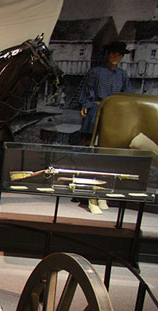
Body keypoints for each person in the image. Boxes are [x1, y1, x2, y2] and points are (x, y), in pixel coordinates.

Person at [74, 40, 133, 214]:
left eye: (119, 54)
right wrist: (85, 104)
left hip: (114, 114)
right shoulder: (96, 72)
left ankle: (102, 193)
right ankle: (86, 193)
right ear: (108, 54)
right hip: (96, 111)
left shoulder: (122, 75)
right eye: (113, 53)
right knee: (91, 150)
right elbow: (86, 91)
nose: (116, 56)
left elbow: (128, 94)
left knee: (109, 153)